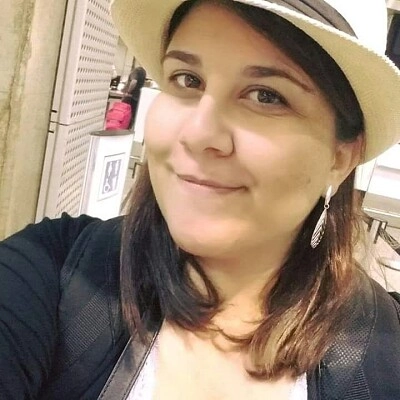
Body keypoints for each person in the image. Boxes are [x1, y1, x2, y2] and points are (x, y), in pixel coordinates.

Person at [1, 0, 400, 399]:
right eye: (188, 79)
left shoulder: (383, 357)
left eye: (266, 96)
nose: (197, 134)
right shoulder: (54, 273)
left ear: (341, 157)